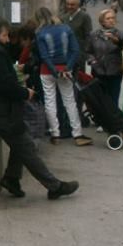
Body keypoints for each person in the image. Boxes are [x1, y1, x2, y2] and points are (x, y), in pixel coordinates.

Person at [0, 16, 78, 200]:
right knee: (25, 144)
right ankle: (53, 185)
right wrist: (26, 93)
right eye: (5, 35)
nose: (8, 40)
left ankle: (12, 178)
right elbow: (6, 85)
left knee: (20, 138)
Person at [35, 7, 93, 146]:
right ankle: (77, 134)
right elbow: (75, 50)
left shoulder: (40, 32)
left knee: (50, 101)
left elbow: (44, 56)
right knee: (70, 101)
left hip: (47, 71)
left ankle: (55, 134)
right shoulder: (66, 29)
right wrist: (68, 67)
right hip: (65, 69)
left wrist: (54, 70)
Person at [85, 8, 123, 111]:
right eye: (108, 18)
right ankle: (102, 121)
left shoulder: (121, 34)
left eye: (113, 18)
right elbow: (88, 51)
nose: (111, 20)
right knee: (100, 98)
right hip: (98, 70)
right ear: (102, 21)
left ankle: (114, 123)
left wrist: (116, 40)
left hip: (114, 70)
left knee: (113, 97)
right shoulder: (94, 35)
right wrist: (93, 62)